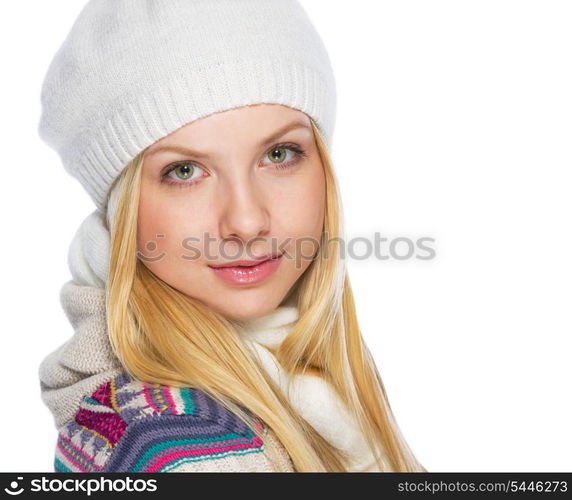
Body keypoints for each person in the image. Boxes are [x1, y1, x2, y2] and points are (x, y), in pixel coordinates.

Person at [37, 0, 425, 473]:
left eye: (279, 154)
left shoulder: (317, 381)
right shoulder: (178, 447)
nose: (246, 221)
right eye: (185, 170)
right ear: (123, 210)